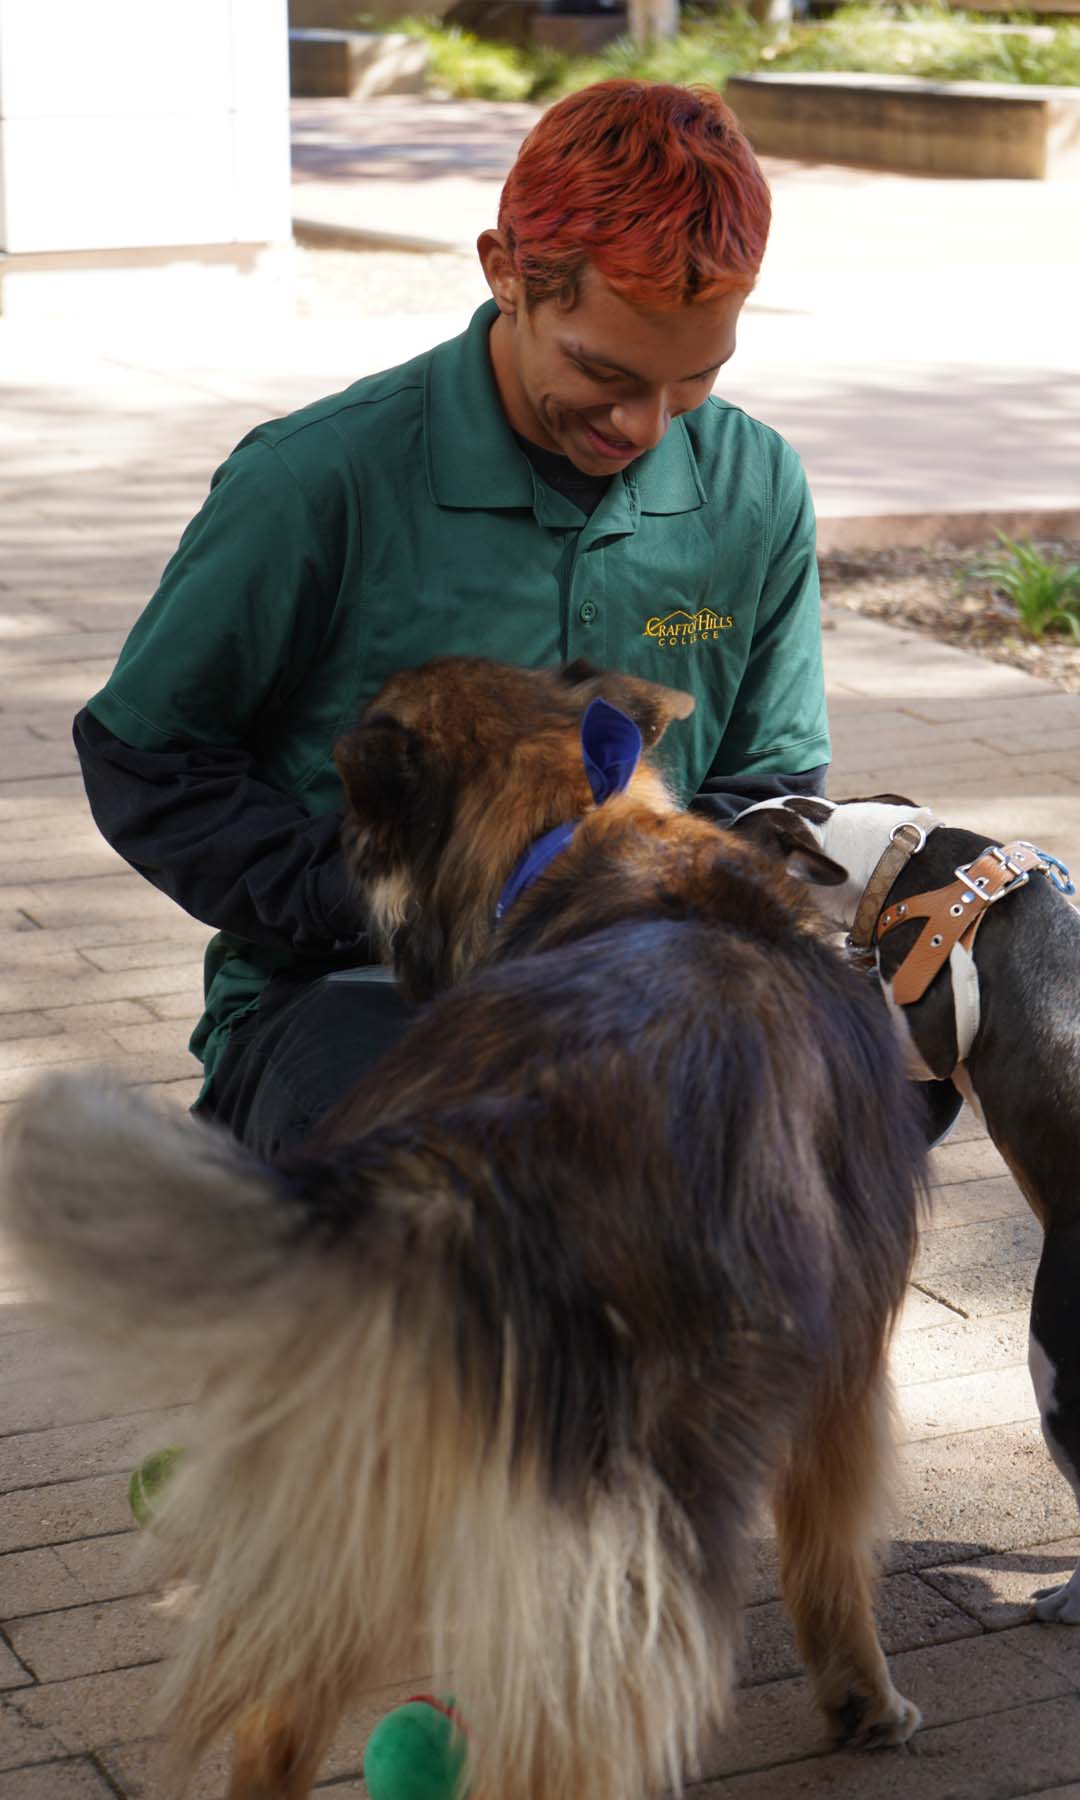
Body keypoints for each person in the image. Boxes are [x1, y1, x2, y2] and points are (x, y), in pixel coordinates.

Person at [74, 80, 913, 1160]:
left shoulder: (753, 485)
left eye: (694, 379)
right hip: (351, 991)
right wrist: (384, 895)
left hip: (653, 984)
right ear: (507, 271)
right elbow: (147, 754)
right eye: (603, 373)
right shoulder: (314, 481)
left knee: (844, 1139)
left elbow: (770, 779)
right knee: (464, 1190)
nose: (647, 426)